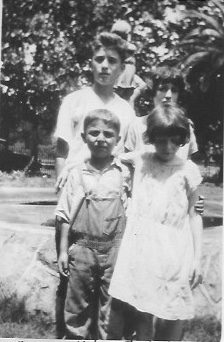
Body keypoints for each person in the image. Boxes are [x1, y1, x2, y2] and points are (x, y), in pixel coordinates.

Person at [53, 31, 135, 338]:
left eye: (111, 61)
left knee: (108, 280)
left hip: (110, 198)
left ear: (121, 68)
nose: (104, 66)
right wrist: (63, 191)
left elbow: (127, 158)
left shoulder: (125, 110)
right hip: (77, 195)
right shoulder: (73, 101)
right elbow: (62, 151)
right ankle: (68, 333)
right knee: (71, 274)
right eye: (99, 59)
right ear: (91, 63)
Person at [109, 103, 203, 341]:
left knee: (171, 311)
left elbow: (194, 215)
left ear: (183, 139)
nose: (168, 147)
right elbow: (110, 156)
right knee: (140, 310)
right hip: (141, 246)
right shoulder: (142, 159)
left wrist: (197, 258)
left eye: (174, 140)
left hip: (174, 249)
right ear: (151, 137)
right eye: (161, 140)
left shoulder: (188, 170)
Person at [55, 109, 131, 339]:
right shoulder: (76, 174)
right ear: (83, 137)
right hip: (82, 250)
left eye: (108, 134)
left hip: (116, 249)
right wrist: (63, 252)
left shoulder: (125, 173)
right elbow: (64, 216)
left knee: (112, 310)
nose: (101, 138)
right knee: (77, 307)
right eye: (94, 132)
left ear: (118, 140)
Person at [125, 65, 198, 161]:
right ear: (153, 92)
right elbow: (127, 162)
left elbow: (187, 163)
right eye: (163, 89)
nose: (168, 95)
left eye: (174, 91)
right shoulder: (137, 125)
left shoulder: (185, 126)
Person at [111, 20, 147, 106]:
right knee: (118, 99)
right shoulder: (117, 47)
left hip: (129, 75)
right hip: (121, 74)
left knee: (140, 87)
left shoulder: (125, 46)